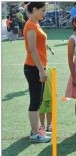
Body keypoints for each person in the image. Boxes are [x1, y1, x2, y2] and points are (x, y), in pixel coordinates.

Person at [23, 2, 51, 143]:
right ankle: (35, 133)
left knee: (38, 100)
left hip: (37, 66)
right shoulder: (31, 25)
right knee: (35, 101)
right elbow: (32, 50)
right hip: (33, 68)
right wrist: (41, 70)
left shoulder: (35, 23)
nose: (44, 13)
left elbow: (37, 45)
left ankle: (37, 130)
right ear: (34, 10)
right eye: (42, 10)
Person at [39, 67, 53, 132]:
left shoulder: (50, 69)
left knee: (49, 111)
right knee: (41, 112)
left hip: (49, 94)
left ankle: (49, 125)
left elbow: (53, 81)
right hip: (40, 96)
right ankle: (42, 125)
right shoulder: (37, 70)